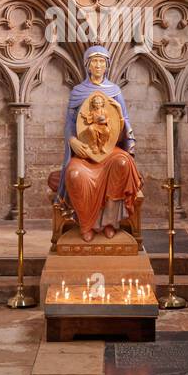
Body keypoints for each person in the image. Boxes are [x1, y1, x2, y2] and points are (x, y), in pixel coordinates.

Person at [58, 45, 143, 242]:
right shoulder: (78, 92)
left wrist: (120, 121)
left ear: (107, 65)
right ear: (88, 65)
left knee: (122, 163)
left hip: (109, 149)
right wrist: (72, 141)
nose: (98, 65)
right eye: (94, 61)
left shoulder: (114, 91)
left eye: (102, 61)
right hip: (86, 152)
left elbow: (123, 122)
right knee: (75, 174)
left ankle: (109, 223)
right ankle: (87, 224)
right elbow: (70, 124)